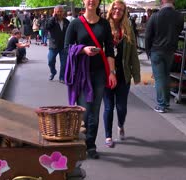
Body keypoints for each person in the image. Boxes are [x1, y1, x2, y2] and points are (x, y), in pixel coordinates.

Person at [65, 0, 117, 159]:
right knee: (84, 112)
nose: (91, 1)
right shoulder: (75, 24)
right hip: (82, 74)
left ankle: (91, 145)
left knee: (94, 111)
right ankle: (81, 143)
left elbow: (109, 49)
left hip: (100, 73)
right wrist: (82, 49)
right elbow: (67, 47)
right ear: (83, 1)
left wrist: (112, 72)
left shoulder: (104, 24)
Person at [103, 0, 141, 148]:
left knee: (121, 107)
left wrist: (136, 75)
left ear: (124, 12)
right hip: (107, 73)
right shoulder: (104, 26)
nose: (117, 11)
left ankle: (120, 124)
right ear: (111, 10)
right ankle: (108, 136)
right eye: (115, 8)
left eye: (121, 9)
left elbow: (133, 55)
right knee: (108, 106)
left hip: (123, 73)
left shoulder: (128, 29)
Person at [144, 0, 183, 113]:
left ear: (162, 1)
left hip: (157, 50)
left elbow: (148, 35)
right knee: (166, 75)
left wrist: (148, 51)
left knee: (160, 77)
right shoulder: (179, 16)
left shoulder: (156, 16)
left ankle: (161, 105)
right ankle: (166, 102)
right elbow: (179, 31)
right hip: (170, 51)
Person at [46, 5, 70, 82]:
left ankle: (62, 77)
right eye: (58, 11)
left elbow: (70, 33)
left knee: (64, 63)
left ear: (63, 12)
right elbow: (47, 27)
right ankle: (53, 72)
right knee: (50, 60)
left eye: (61, 11)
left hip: (64, 45)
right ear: (55, 12)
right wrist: (53, 17)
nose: (59, 13)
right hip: (53, 45)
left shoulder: (67, 21)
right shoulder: (51, 20)